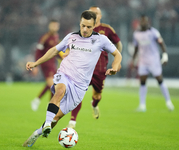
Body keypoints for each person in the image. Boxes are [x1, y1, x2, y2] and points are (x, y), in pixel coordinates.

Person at [23, 10, 122, 147]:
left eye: (88, 27)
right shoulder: (71, 36)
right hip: (65, 74)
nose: (85, 29)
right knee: (59, 91)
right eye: (83, 25)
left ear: (94, 26)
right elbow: (54, 50)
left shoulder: (101, 40)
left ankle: (37, 133)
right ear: (79, 23)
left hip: (80, 87)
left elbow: (117, 55)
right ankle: (46, 123)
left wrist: (115, 67)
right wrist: (36, 63)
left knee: (56, 117)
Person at [67, 6, 122, 129]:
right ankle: (72, 121)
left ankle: (94, 104)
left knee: (97, 96)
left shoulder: (106, 30)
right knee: (78, 94)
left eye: (96, 13)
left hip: (100, 70)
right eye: (92, 13)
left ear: (100, 16)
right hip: (84, 69)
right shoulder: (83, 30)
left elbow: (118, 43)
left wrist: (117, 62)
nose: (94, 15)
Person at [132, 14, 174, 112]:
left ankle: (169, 102)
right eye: (142, 21)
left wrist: (165, 56)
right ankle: (142, 105)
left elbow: (161, 44)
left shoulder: (153, 32)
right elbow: (136, 48)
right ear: (140, 22)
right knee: (142, 82)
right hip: (142, 61)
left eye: (145, 21)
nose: (143, 22)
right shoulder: (136, 34)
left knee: (159, 80)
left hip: (153, 60)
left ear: (148, 22)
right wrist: (133, 60)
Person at [31, 19, 60, 111]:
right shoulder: (44, 37)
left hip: (53, 63)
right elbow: (38, 51)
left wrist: (64, 57)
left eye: (56, 25)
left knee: (52, 84)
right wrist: (35, 65)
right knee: (52, 84)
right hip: (46, 64)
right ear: (49, 26)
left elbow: (56, 51)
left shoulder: (56, 37)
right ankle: (50, 104)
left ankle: (37, 100)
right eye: (53, 25)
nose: (54, 27)